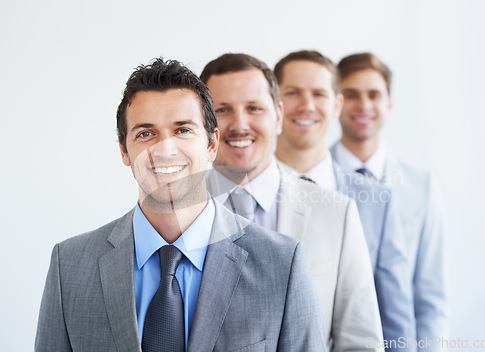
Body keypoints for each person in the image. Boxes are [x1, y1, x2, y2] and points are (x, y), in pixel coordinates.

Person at [35, 58, 326, 352]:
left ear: (212, 144)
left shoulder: (282, 264)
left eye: (182, 130)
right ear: (124, 150)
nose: (165, 150)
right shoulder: (69, 266)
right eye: (145, 134)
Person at [200, 53, 384, 352]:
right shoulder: (176, 210)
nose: (240, 124)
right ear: (204, 124)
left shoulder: (337, 214)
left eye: (254, 108)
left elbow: (361, 341)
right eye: (222, 109)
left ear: (279, 116)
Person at [274, 50, 415, 350]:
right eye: (293, 92)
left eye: (319, 93)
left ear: (336, 104)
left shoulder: (375, 200)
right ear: (275, 103)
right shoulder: (244, 193)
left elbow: (394, 314)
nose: (307, 105)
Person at [332, 52, 447, 349]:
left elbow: (430, 296)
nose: (364, 105)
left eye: (374, 95)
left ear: (389, 104)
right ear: (335, 103)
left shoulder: (422, 186)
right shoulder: (312, 181)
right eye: (351, 94)